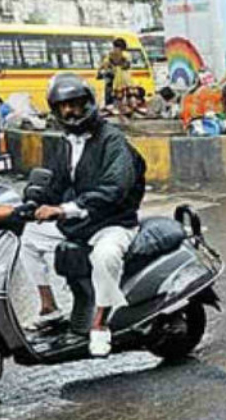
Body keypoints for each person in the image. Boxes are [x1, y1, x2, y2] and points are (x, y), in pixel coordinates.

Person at [20, 73, 144, 357]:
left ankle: (100, 324)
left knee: (105, 256)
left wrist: (64, 210)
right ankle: (49, 307)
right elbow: (55, 182)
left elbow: (115, 188)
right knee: (29, 238)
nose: (69, 111)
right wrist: (31, 201)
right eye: (62, 106)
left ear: (88, 103)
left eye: (74, 104)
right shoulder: (67, 142)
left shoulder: (112, 140)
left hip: (113, 221)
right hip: (81, 220)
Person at [99, 38, 133, 113]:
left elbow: (125, 65)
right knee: (117, 94)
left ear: (120, 47)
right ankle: (117, 108)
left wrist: (114, 59)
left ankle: (123, 109)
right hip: (116, 78)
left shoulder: (124, 55)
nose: (114, 48)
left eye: (116, 47)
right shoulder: (112, 55)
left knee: (122, 94)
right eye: (114, 47)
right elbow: (105, 65)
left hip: (122, 78)